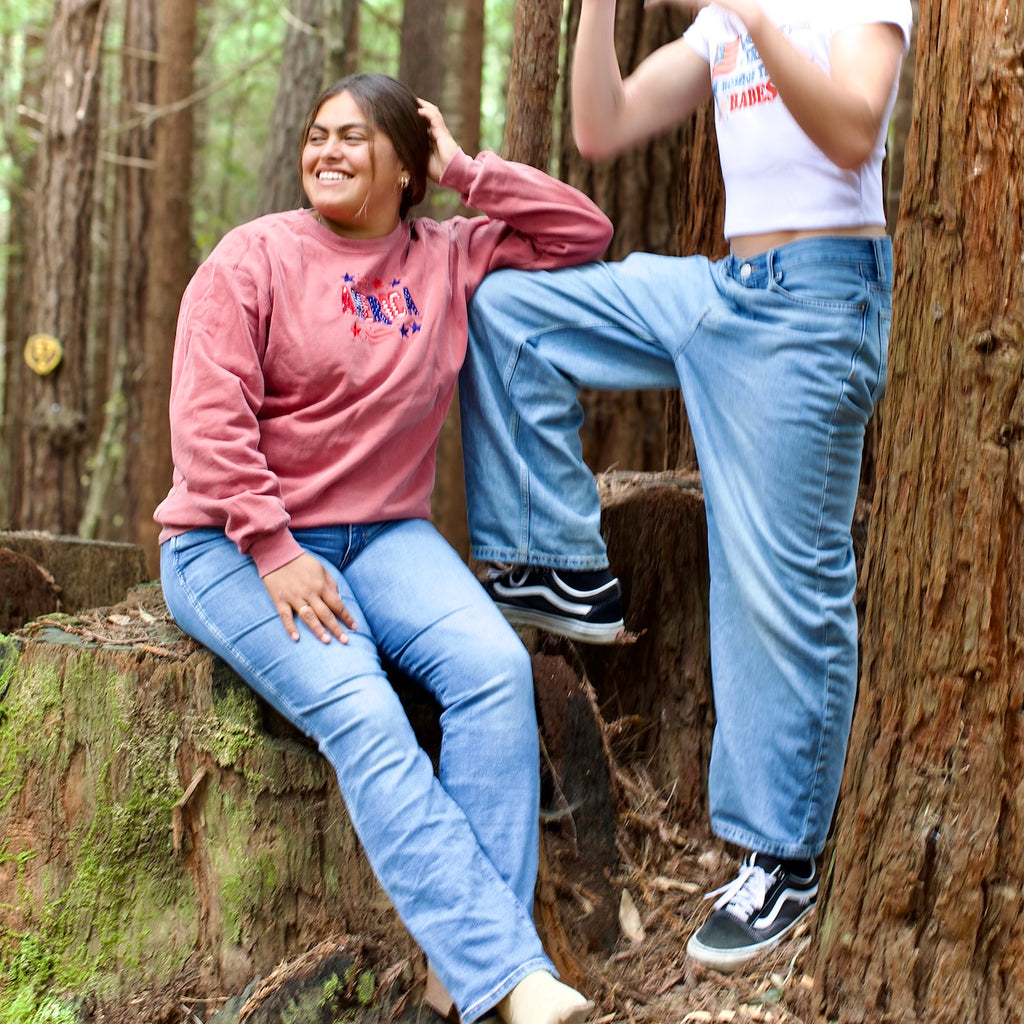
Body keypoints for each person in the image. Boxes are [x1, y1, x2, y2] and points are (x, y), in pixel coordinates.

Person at [459, 0, 913, 972]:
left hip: (817, 304)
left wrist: (750, 12)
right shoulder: (718, 27)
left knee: (780, 578)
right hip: (726, 290)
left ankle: (779, 856)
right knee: (510, 311)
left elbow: (850, 132)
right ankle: (559, 562)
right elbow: (602, 125)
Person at [155, 72, 612, 1024]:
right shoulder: (254, 258)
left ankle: (464, 970)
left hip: (386, 535)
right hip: (233, 543)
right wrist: (274, 549)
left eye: (354, 139)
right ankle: (510, 973)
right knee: (364, 709)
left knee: (495, 671)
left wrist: (464, 168)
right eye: (317, 135)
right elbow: (207, 421)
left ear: (406, 166)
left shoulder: (445, 254)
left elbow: (582, 233)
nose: (323, 151)